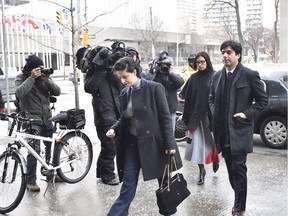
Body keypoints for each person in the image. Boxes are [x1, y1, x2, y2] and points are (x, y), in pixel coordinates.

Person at [106, 56, 182, 216]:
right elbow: (124, 118)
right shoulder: (125, 92)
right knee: (128, 185)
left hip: (156, 145)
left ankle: (168, 212)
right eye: (120, 77)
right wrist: (114, 128)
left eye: (125, 76)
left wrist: (170, 145)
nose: (123, 80)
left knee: (165, 185)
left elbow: (165, 118)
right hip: (132, 145)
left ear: (134, 72)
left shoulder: (155, 88)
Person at [209, 40, 268, 216]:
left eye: (228, 52)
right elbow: (211, 98)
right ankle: (238, 197)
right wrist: (215, 112)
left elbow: (263, 101)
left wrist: (246, 114)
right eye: (223, 52)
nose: (225, 56)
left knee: (239, 170)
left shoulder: (249, 75)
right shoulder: (218, 76)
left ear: (238, 55)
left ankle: (239, 207)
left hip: (240, 131)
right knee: (232, 171)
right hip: (223, 133)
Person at [14, 54, 61, 192]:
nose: (39, 71)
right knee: (33, 151)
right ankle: (31, 181)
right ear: (30, 69)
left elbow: (57, 92)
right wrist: (31, 78)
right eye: (37, 69)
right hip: (31, 119)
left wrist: (47, 79)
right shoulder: (21, 78)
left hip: (46, 118)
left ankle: (49, 173)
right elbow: (19, 93)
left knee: (49, 147)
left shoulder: (44, 78)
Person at [84, 44, 123, 186]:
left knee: (108, 145)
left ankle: (101, 171)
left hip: (115, 112)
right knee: (110, 146)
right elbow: (89, 88)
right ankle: (108, 175)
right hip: (103, 115)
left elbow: (120, 85)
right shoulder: (92, 71)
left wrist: (109, 69)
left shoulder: (111, 71)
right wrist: (98, 69)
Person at [180, 51, 220, 185]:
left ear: (207, 62)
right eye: (198, 62)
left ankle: (215, 159)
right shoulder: (193, 78)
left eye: (203, 62)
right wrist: (186, 118)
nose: (200, 64)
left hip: (211, 116)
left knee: (212, 141)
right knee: (197, 145)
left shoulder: (215, 76)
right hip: (195, 117)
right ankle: (201, 171)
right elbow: (187, 97)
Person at [152, 51, 184, 131]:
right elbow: (152, 86)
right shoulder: (157, 76)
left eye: (167, 66)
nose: (164, 68)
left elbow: (180, 83)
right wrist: (157, 71)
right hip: (158, 110)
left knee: (170, 133)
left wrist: (171, 74)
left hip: (171, 110)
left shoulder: (173, 76)